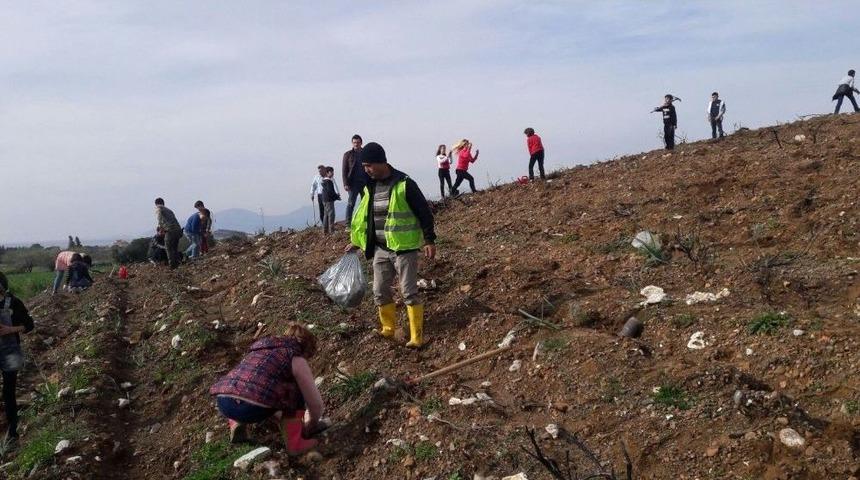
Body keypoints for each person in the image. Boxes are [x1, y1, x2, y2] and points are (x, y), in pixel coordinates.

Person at [348, 142, 436, 348]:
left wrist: (429, 240)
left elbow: (424, 212)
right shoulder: (369, 187)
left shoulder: (405, 184)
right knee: (379, 290)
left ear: (381, 162)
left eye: (368, 165)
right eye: (364, 166)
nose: (366, 169)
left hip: (403, 249)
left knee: (408, 292)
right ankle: (388, 328)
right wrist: (356, 241)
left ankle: (417, 335)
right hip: (380, 249)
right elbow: (365, 218)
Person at [209, 322, 324, 455]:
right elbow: (316, 405)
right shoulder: (296, 358)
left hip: (224, 402)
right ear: (306, 349)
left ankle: (236, 423)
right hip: (251, 409)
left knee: (244, 384)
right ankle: (295, 444)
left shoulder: (259, 349)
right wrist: (311, 424)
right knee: (296, 392)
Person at [0, 271, 35, 449]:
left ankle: (13, 431)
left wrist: (10, 329)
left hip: (10, 351)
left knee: (9, 391)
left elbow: (29, 325)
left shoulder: (13, 302)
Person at [342, 134, 369, 227]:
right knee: (351, 203)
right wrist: (345, 183)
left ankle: (365, 222)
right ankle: (348, 225)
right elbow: (344, 170)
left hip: (365, 182)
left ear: (361, 143)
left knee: (366, 203)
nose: (356, 144)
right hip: (352, 183)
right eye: (354, 142)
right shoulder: (348, 154)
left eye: (358, 142)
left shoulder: (366, 153)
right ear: (352, 143)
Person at [154, 198, 182, 269]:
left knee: (169, 248)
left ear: (156, 204)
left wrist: (160, 228)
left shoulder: (159, 208)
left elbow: (160, 220)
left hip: (170, 231)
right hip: (178, 230)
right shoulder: (169, 210)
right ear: (163, 203)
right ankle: (178, 262)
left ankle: (172, 266)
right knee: (175, 248)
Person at [321, 167, 339, 235]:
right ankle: (332, 231)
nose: (333, 173)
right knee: (331, 215)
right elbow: (330, 192)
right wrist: (336, 196)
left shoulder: (324, 181)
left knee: (326, 215)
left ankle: (325, 231)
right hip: (329, 200)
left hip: (324, 200)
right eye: (331, 172)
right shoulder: (328, 181)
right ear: (327, 173)